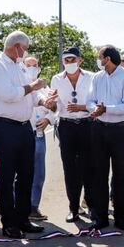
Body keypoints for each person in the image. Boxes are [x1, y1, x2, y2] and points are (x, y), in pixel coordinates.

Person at [0, 31, 49, 239]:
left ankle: (23, 218)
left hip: (24, 126)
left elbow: (29, 96)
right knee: (6, 176)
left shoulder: (19, 66)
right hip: (4, 127)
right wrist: (34, 86)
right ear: (17, 46)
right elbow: (9, 94)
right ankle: (9, 222)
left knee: (26, 174)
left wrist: (43, 101)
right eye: (26, 47)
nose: (26, 51)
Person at [88, 45, 124, 230]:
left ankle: (120, 218)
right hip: (99, 129)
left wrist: (106, 109)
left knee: (119, 175)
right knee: (99, 175)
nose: (98, 60)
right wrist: (94, 109)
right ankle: (101, 218)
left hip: (120, 131)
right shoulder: (97, 77)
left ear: (108, 58)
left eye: (100, 57)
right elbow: (90, 100)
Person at [48, 46, 94, 223]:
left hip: (86, 124)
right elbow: (55, 107)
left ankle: (90, 204)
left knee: (88, 167)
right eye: (66, 60)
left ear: (80, 60)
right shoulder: (57, 79)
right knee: (70, 169)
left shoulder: (91, 77)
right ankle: (73, 208)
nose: (69, 63)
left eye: (72, 60)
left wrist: (82, 107)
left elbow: (96, 103)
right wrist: (51, 104)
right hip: (67, 126)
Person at [23, 55, 56, 221]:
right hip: (20, 135)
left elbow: (55, 107)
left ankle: (33, 207)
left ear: (39, 68)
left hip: (38, 135)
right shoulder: (19, 85)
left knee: (38, 173)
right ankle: (17, 206)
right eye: (27, 65)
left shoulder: (46, 88)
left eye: (34, 65)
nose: (31, 68)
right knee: (19, 172)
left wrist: (48, 119)